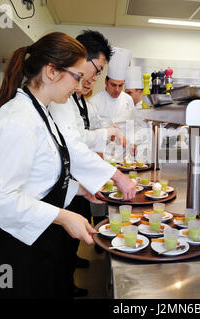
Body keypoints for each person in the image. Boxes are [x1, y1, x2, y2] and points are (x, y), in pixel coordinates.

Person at [0, 32, 135, 299]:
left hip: (33, 244)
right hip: (10, 253)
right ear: (51, 72)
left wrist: (79, 190)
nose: (81, 85)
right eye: (77, 77)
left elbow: (41, 176)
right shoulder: (15, 121)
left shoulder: (41, 113)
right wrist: (64, 216)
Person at [48, 30, 130, 297]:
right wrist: (117, 176)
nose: (92, 80)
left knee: (62, 251)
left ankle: (64, 282)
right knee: (54, 257)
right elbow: (72, 146)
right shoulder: (57, 99)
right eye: (96, 71)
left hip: (64, 188)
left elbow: (78, 138)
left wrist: (79, 189)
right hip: (37, 214)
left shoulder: (66, 98)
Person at [88, 47, 137, 161]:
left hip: (124, 155)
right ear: (106, 82)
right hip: (102, 155)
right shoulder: (94, 101)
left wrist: (133, 143)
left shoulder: (128, 100)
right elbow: (91, 131)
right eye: (113, 85)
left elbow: (131, 126)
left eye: (120, 85)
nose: (117, 89)